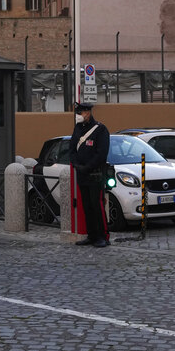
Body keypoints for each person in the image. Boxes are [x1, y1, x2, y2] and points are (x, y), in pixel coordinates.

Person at [69, 102, 111, 247]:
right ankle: (91, 235)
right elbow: (72, 149)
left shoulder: (100, 129)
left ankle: (103, 237)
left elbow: (101, 153)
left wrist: (87, 167)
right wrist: (76, 164)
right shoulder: (77, 129)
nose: (78, 116)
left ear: (88, 113)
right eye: (77, 113)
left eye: (80, 113)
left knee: (96, 205)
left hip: (95, 173)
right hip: (82, 174)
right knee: (86, 206)